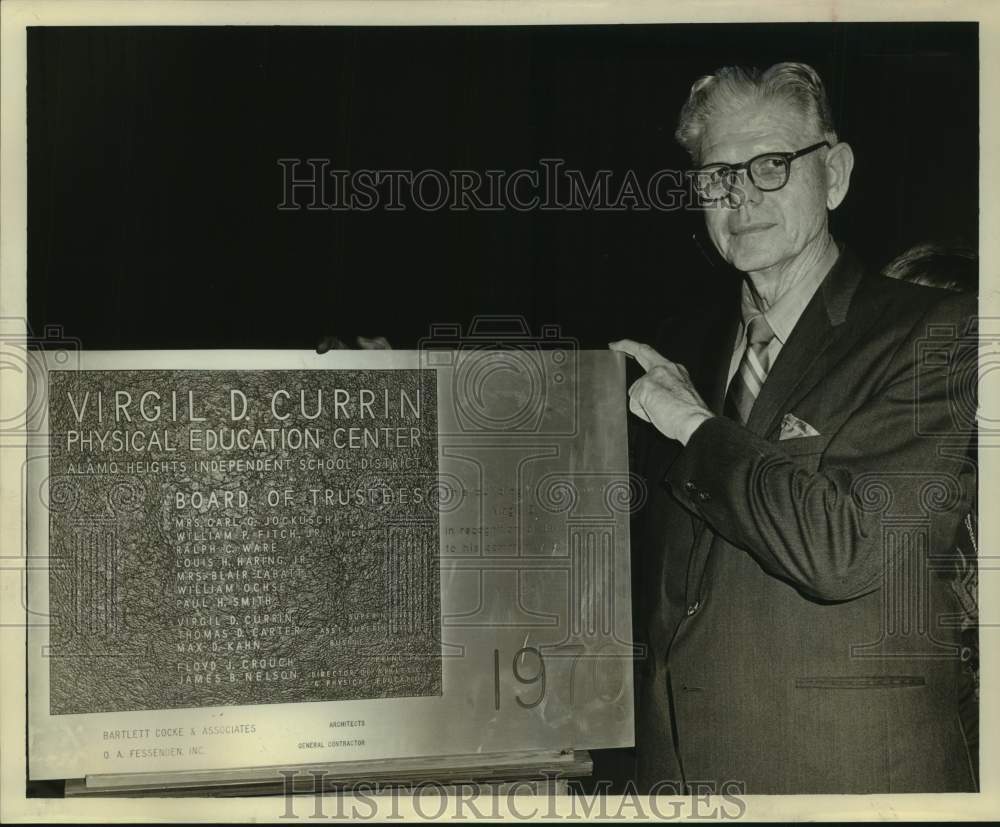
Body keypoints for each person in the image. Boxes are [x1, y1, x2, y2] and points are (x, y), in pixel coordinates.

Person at [611, 63, 978, 793]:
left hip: (844, 778)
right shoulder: (684, 347)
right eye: (717, 174)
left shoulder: (939, 333)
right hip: (679, 781)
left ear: (834, 174)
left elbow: (841, 546)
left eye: (771, 164)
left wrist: (695, 424)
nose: (740, 194)